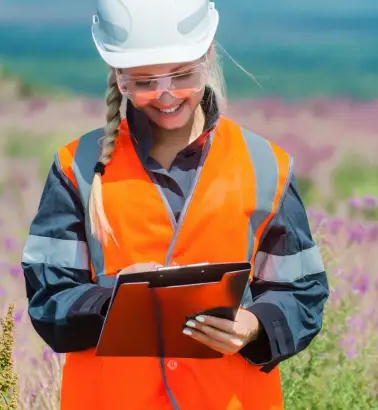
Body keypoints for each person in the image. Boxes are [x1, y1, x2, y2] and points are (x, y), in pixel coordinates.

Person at [19, 1, 330, 409]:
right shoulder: (75, 168)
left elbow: (302, 292)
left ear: (206, 59)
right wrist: (114, 302)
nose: (165, 95)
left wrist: (254, 325)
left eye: (181, 76)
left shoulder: (265, 167)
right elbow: (48, 300)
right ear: (120, 79)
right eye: (145, 82)